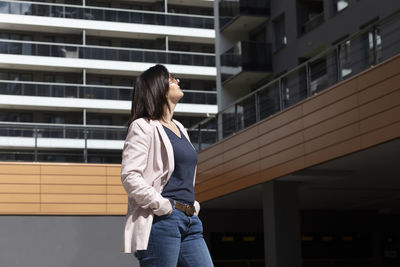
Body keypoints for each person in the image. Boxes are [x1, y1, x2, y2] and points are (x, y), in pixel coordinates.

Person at [120, 64, 214, 267]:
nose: (178, 81)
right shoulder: (142, 126)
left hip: (190, 220)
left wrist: (193, 205)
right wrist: (162, 205)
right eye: (172, 79)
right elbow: (130, 176)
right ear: (158, 87)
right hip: (162, 221)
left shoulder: (180, 127)